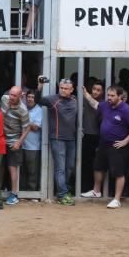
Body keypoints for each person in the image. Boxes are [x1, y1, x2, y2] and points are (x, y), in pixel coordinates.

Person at [81, 86, 129, 208]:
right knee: (97, 167)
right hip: (103, 143)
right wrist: (86, 94)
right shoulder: (106, 105)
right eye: (108, 95)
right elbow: (95, 104)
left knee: (119, 172)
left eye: (112, 96)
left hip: (117, 145)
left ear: (120, 97)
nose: (109, 98)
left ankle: (117, 199)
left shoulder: (126, 110)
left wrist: (126, 141)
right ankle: (96, 191)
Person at [36, 76, 78, 206]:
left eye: (66, 88)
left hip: (71, 138)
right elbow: (38, 100)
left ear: (72, 90)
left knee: (69, 167)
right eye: (61, 88)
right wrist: (40, 86)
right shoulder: (52, 99)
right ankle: (62, 194)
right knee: (60, 168)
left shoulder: (75, 100)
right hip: (57, 138)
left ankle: (64, 190)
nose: (63, 90)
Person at [0, 86, 30, 205]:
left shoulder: (23, 110)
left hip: (14, 141)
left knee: (13, 168)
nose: (11, 97)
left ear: (20, 96)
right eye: (10, 94)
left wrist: (19, 142)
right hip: (1, 139)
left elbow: (27, 128)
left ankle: (14, 194)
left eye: (14, 95)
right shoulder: (4, 99)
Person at [21, 89, 43, 192]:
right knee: (22, 170)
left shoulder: (39, 110)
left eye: (32, 97)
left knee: (32, 171)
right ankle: (22, 191)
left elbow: (36, 127)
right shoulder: (23, 108)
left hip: (33, 146)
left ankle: (32, 192)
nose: (30, 99)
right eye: (28, 97)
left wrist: (25, 119)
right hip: (21, 144)